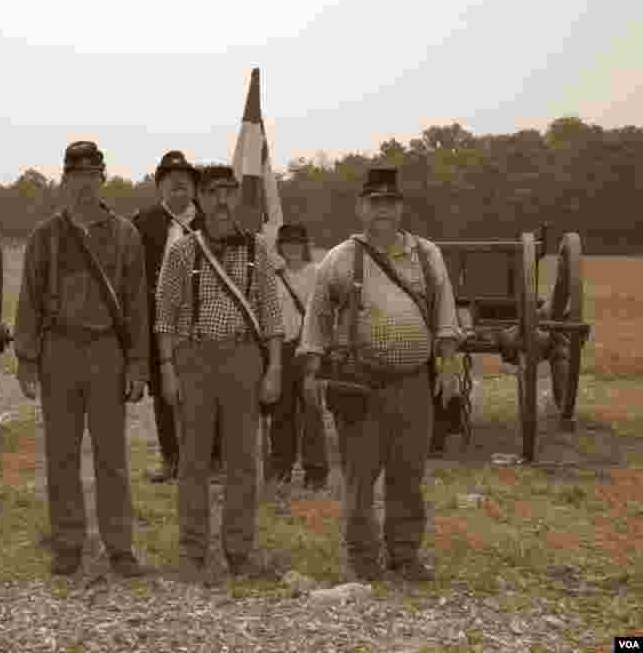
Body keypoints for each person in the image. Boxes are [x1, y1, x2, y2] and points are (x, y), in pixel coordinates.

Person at [299, 167, 461, 583]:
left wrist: (447, 365)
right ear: (360, 209)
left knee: (408, 475)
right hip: (360, 386)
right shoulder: (339, 258)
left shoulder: (427, 255)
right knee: (359, 477)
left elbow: (444, 312)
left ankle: (404, 556)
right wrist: (312, 371)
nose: (382, 211)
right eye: (374, 203)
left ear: (401, 208)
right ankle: (362, 558)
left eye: (389, 203)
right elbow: (317, 317)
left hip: (413, 384)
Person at [13, 141, 152, 578]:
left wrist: (137, 364)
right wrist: (28, 359)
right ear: (65, 180)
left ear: (102, 179)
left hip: (107, 350)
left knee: (112, 454)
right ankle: (68, 542)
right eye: (77, 175)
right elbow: (29, 300)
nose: (84, 183)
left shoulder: (126, 234)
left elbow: (136, 305)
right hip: (60, 350)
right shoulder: (45, 236)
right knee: (62, 453)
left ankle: (119, 546)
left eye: (92, 174)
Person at [154, 163, 283, 581]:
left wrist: (274, 369)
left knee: (243, 461)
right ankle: (192, 552)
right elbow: (165, 318)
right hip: (194, 361)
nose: (222, 200)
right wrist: (168, 369)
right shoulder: (181, 252)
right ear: (201, 200)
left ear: (236, 198)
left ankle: (239, 551)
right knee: (192, 461)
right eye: (213, 193)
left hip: (244, 360)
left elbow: (272, 316)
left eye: (229, 192)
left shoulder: (258, 249)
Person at [131, 150, 221, 484]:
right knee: (163, 393)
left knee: (207, 389)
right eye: (171, 183)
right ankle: (171, 460)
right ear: (160, 188)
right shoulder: (142, 223)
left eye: (185, 184)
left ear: (195, 189)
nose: (178, 189)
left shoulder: (212, 223)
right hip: (159, 321)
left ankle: (212, 461)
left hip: (206, 318)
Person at [267, 222, 328, 490]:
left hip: (309, 347)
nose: (292, 248)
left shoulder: (317, 274)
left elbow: (325, 312)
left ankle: (315, 471)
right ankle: (281, 466)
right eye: (287, 243)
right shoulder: (272, 276)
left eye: (297, 243)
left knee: (312, 411)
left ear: (305, 246)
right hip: (283, 347)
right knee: (282, 412)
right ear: (280, 247)